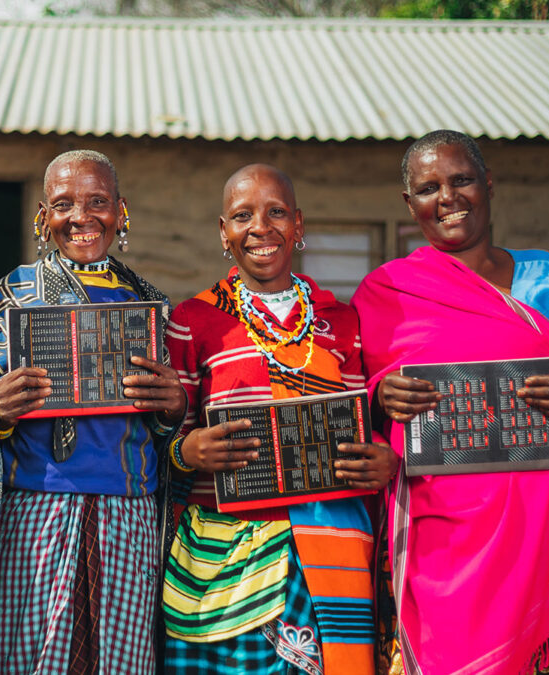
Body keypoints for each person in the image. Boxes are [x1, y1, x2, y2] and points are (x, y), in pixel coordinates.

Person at [352, 129, 549, 675]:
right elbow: (355, 403)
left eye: (462, 179)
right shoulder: (390, 296)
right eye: (429, 187)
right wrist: (381, 395)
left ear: (489, 183)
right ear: (410, 204)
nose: (448, 198)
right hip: (443, 545)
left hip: (547, 534)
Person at [0, 150, 185, 674]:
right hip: (35, 515)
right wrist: (1, 408)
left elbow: (165, 429)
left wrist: (173, 408)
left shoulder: (151, 305)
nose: (81, 217)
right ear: (43, 217)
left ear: (121, 211)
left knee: (119, 663)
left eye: (98, 202)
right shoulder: (8, 299)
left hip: (126, 519)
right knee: (28, 659)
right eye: (64, 205)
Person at [161, 164, 394, 675]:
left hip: (333, 554)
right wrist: (188, 450)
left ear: (299, 225)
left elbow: (363, 426)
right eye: (243, 216)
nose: (261, 228)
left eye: (277, 213)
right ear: (224, 231)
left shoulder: (343, 322)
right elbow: (162, 438)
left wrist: (384, 462)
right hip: (223, 563)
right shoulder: (194, 320)